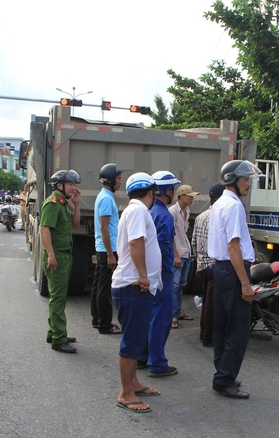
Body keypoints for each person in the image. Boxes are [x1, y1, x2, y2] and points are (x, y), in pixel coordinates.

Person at [208, 160, 262, 399]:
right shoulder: (234, 206)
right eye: (245, 179)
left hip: (221, 270)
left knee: (222, 326)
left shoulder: (220, 203)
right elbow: (233, 246)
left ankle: (223, 371)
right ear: (232, 179)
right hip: (232, 271)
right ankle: (224, 379)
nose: (248, 183)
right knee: (238, 329)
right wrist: (245, 283)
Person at [111, 172, 162, 413]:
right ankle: (125, 392)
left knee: (136, 337)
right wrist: (143, 275)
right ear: (151, 192)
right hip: (133, 286)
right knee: (132, 340)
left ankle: (132, 383)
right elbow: (135, 243)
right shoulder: (140, 211)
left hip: (133, 286)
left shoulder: (132, 210)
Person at [138, 171, 180, 378]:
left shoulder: (150, 211)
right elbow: (163, 247)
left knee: (148, 316)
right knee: (161, 319)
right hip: (162, 272)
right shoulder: (165, 215)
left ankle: (142, 356)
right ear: (168, 190)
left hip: (150, 271)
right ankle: (157, 363)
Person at [40, 169, 81, 353]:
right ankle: (58, 339)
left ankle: (55, 332)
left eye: (74, 184)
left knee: (60, 297)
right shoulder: (52, 204)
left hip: (65, 255)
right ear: (59, 185)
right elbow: (44, 230)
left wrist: (77, 205)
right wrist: (50, 255)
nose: (73, 187)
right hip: (56, 255)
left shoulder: (64, 204)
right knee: (57, 298)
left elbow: (75, 224)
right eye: (71, 184)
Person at [192, 183, 226, 347]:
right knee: (212, 304)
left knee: (207, 301)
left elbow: (194, 243)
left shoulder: (201, 216)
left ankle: (205, 333)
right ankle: (207, 336)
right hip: (214, 266)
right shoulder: (220, 216)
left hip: (201, 266)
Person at [90, 163, 122, 335]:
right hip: (107, 248)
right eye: (118, 179)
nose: (120, 182)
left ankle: (97, 319)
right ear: (110, 179)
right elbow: (104, 228)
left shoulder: (104, 196)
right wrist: (110, 254)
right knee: (105, 288)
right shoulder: (107, 199)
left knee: (98, 284)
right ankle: (105, 324)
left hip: (104, 247)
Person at [169, 184, 199, 327]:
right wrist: (175, 255)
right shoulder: (172, 212)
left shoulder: (186, 211)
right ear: (181, 196)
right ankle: (172, 315)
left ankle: (177, 311)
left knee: (181, 285)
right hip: (178, 253)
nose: (192, 198)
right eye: (189, 195)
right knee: (174, 285)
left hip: (185, 252)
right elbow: (171, 236)